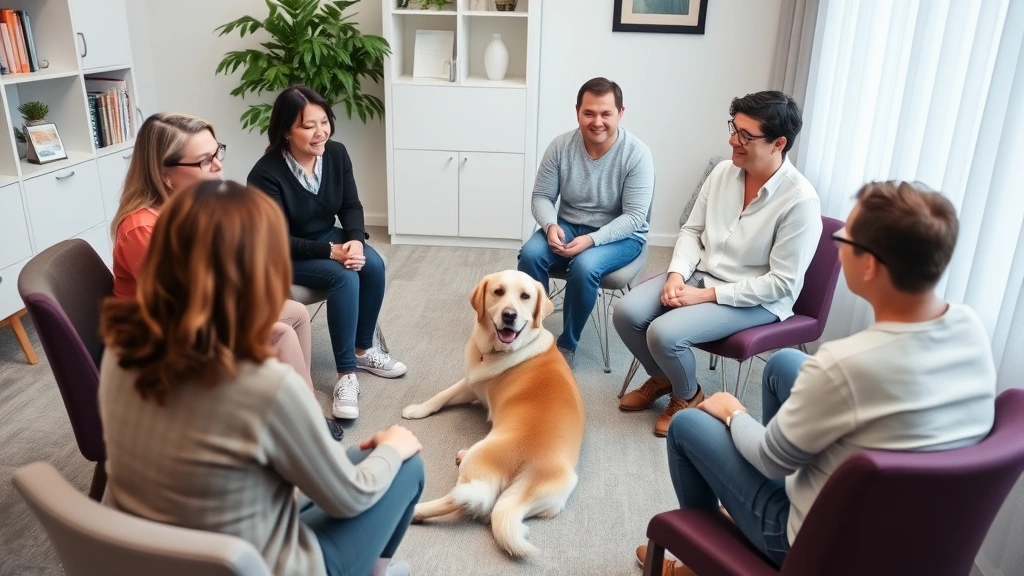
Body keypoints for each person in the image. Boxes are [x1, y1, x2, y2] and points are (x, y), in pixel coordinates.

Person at [637, 181, 997, 574]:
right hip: (914, 532)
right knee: (784, 365)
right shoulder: (970, 325)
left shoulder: (846, 364)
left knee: (690, 423)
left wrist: (733, 413)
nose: (839, 246)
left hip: (817, 546)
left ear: (871, 265)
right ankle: (747, 502)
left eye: (846, 238)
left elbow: (769, 460)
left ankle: (701, 559)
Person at [99, 180, 424, 576]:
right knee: (407, 464)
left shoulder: (122, 352)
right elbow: (349, 499)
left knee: (356, 459)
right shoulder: (264, 384)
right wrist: (393, 447)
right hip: (257, 563)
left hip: (158, 554)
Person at [110, 113, 341, 440]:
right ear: (166, 175)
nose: (218, 165)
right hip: (164, 341)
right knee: (280, 334)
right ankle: (305, 425)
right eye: (204, 161)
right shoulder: (143, 229)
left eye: (217, 152)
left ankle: (298, 411)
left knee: (297, 313)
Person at [613, 91, 821, 437]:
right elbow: (693, 231)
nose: (732, 140)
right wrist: (677, 273)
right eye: (733, 128)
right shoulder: (723, 172)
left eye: (745, 135)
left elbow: (781, 283)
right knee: (626, 313)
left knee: (663, 333)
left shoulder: (800, 202)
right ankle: (666, 377)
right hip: (700, 274)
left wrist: (704, 295)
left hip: (755, 299)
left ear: (778, 143)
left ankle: (687, 395)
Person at [248, 85, 405, 421]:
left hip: (324, 237)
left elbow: (351, 205)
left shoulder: (336, 154)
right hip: (281, 254)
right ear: (286, 131)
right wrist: (332, 252)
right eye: (308, 126)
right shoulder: (265, 174)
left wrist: (355, 240)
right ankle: (345, 374)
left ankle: (363, 349)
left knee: (372, 264)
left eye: (324, 122)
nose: (320, 132)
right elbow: (275, 240)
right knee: (344, 274)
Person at [518, 77, 655, 368]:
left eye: (606, 113)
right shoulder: (560, 147)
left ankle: (567, 343)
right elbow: (542, 196)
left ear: (620, 113)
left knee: (584, 265)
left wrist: (593, 240)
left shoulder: (637, 154)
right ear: (577, 111)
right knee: (530, 254)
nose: (597, 121)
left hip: (622, 235)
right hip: (568, 224)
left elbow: (634, 217)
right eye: (589, 112)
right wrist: (550, 225)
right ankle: (532, 334)